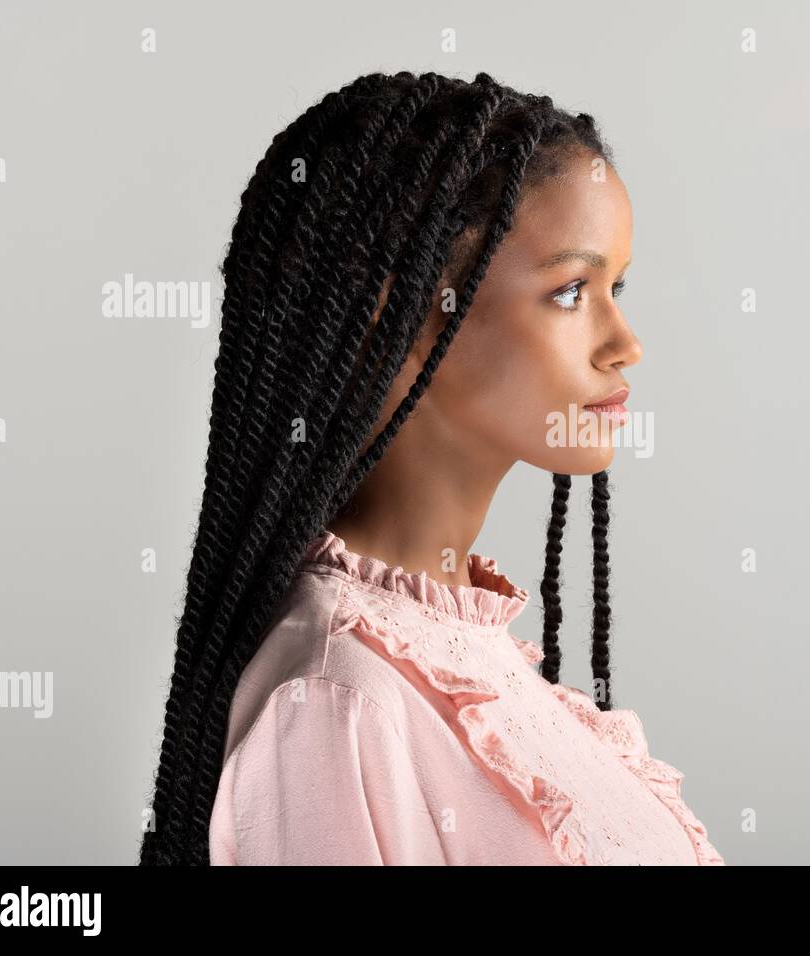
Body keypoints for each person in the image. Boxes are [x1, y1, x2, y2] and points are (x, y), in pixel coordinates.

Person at [139, 70, 725, 865]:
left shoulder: (458, 654)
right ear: (405, 315)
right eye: (570, 292)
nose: (626, 343)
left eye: (614, 287)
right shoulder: (337, 697)